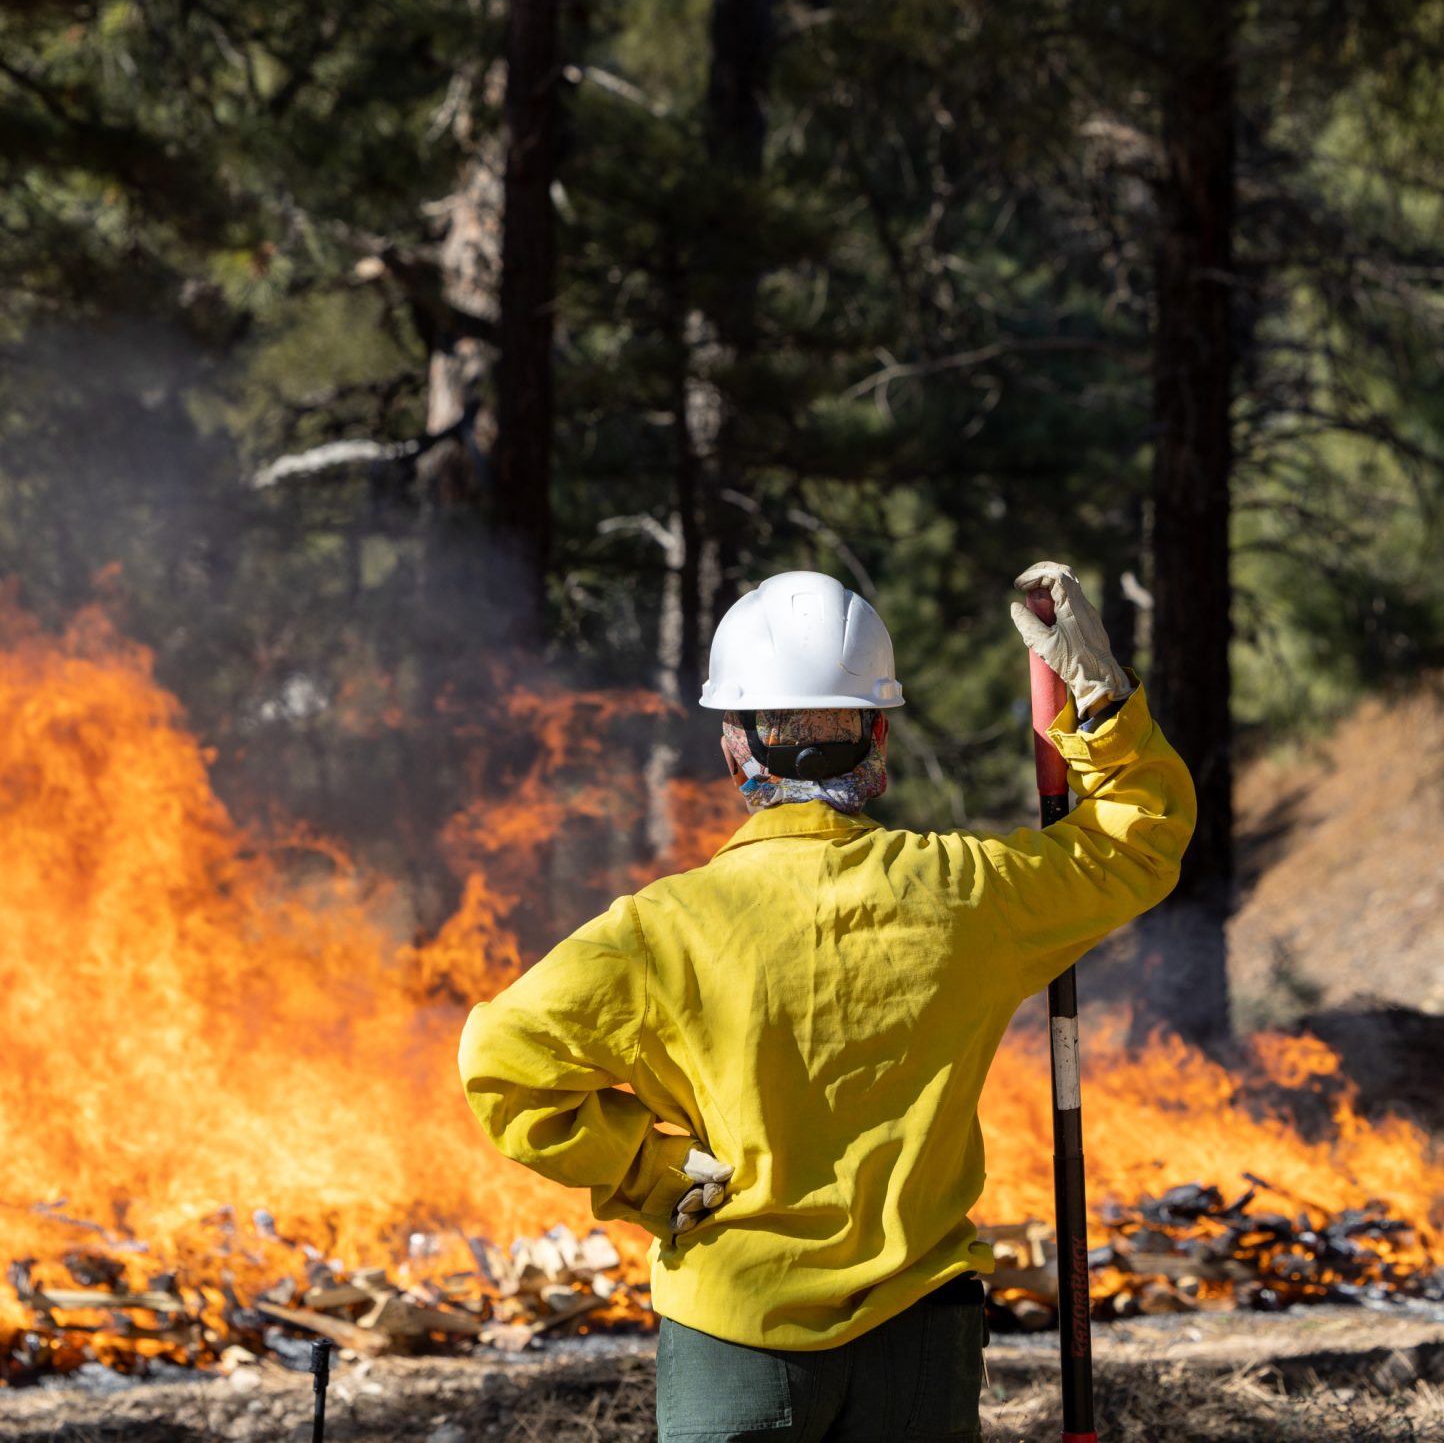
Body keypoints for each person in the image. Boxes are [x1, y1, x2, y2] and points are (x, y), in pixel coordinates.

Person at [456, 563, 1194, 1442]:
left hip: (736, 1332)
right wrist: (1104, 710)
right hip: (919, 1343)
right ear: (878, 745)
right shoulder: (966, 894)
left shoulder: (660, 932)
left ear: (735, 747)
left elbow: (500, 1065)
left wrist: (650, 1176)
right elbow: (1136, 846)